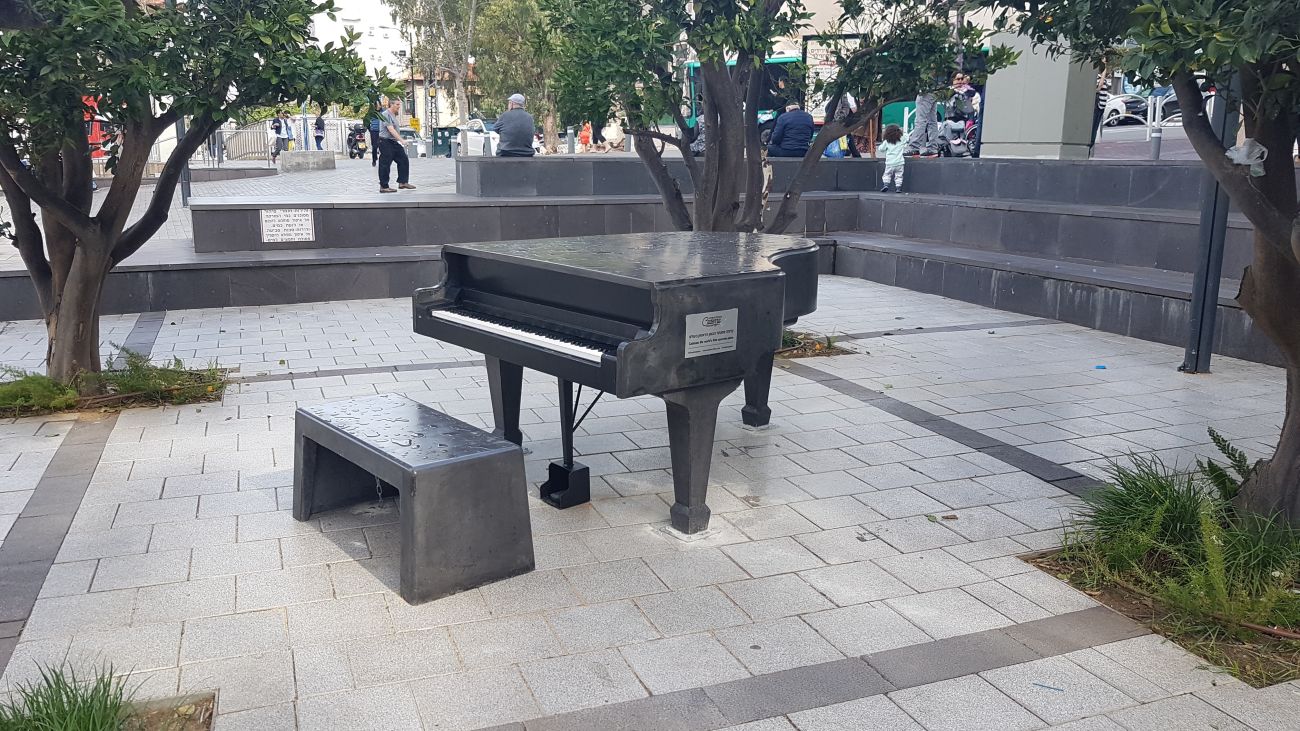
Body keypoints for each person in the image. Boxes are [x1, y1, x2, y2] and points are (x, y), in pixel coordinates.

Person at [376, 97, 415, 193]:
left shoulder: (393, 115)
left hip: (393, 142)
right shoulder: (385, 114)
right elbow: (391, 129)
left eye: (399, 104)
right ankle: (384, 186)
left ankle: (403, 182)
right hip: (385, 141)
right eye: (397, 104)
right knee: (385, 164)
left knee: (403, 159)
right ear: (391, 104)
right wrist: (402, 140)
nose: (399, 106)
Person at [904, 90, 938, 157]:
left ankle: (914, 147)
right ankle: (933, 148)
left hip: (925, 92)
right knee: (932, 121)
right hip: (936, 91)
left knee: (920, 120)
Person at [878, 124, 906, 192]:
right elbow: (906, 137)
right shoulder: (902, 139)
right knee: (899, 175)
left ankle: (886, 185)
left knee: (887, 174)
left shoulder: (887, 141)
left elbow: (881, 149)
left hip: (890, 163)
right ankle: (898, 188)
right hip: (900, 162)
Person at [1089, 74, 1110, 157]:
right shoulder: (1097, 75)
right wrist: (1104, 71)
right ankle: (1089, 147)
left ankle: (1089, 147)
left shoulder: (1100, 76)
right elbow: (1099, 86)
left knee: (1094, 128)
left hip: (1101, 106)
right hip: (1098, 104)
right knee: (1093, 128)